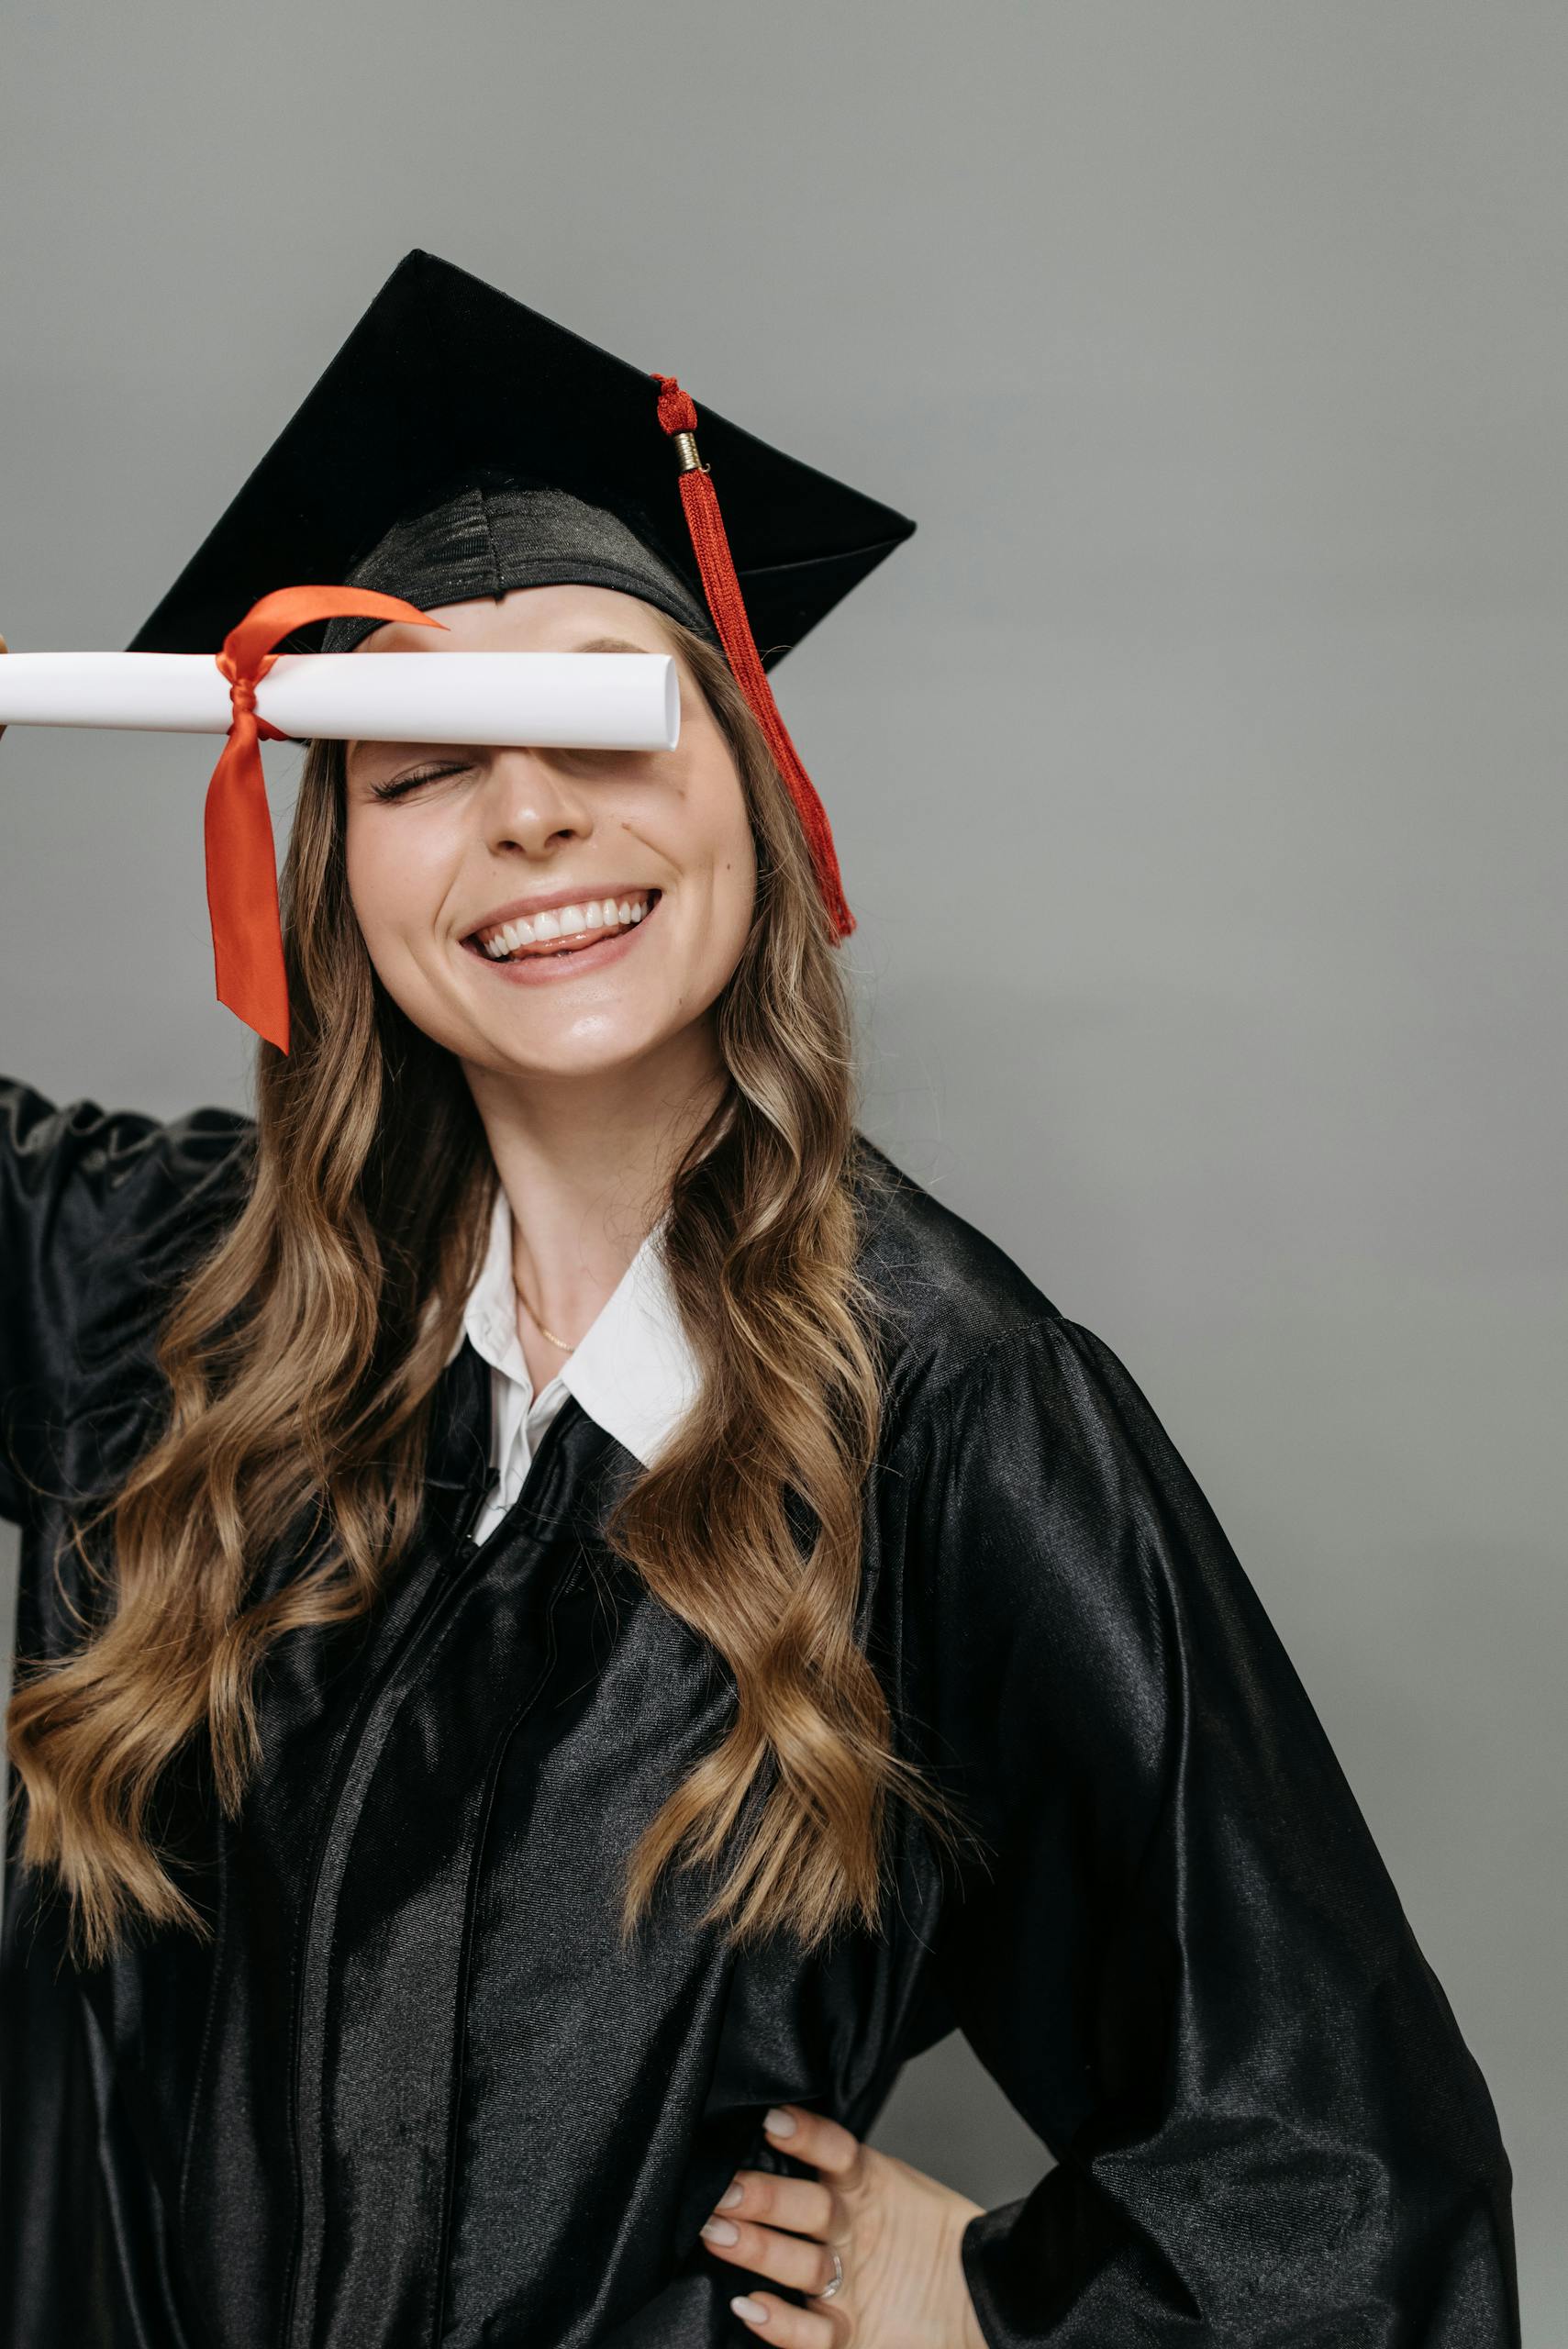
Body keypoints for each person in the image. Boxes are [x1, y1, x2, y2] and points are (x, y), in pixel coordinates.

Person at [1, 250, 1518, 2348]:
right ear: (335, 865)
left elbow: (1349, 2176)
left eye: (602, 725)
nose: (529, 811)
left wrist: (989, 2291)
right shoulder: (152, 1298)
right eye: (425, 759)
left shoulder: (947, 1407)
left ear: (752, 781)